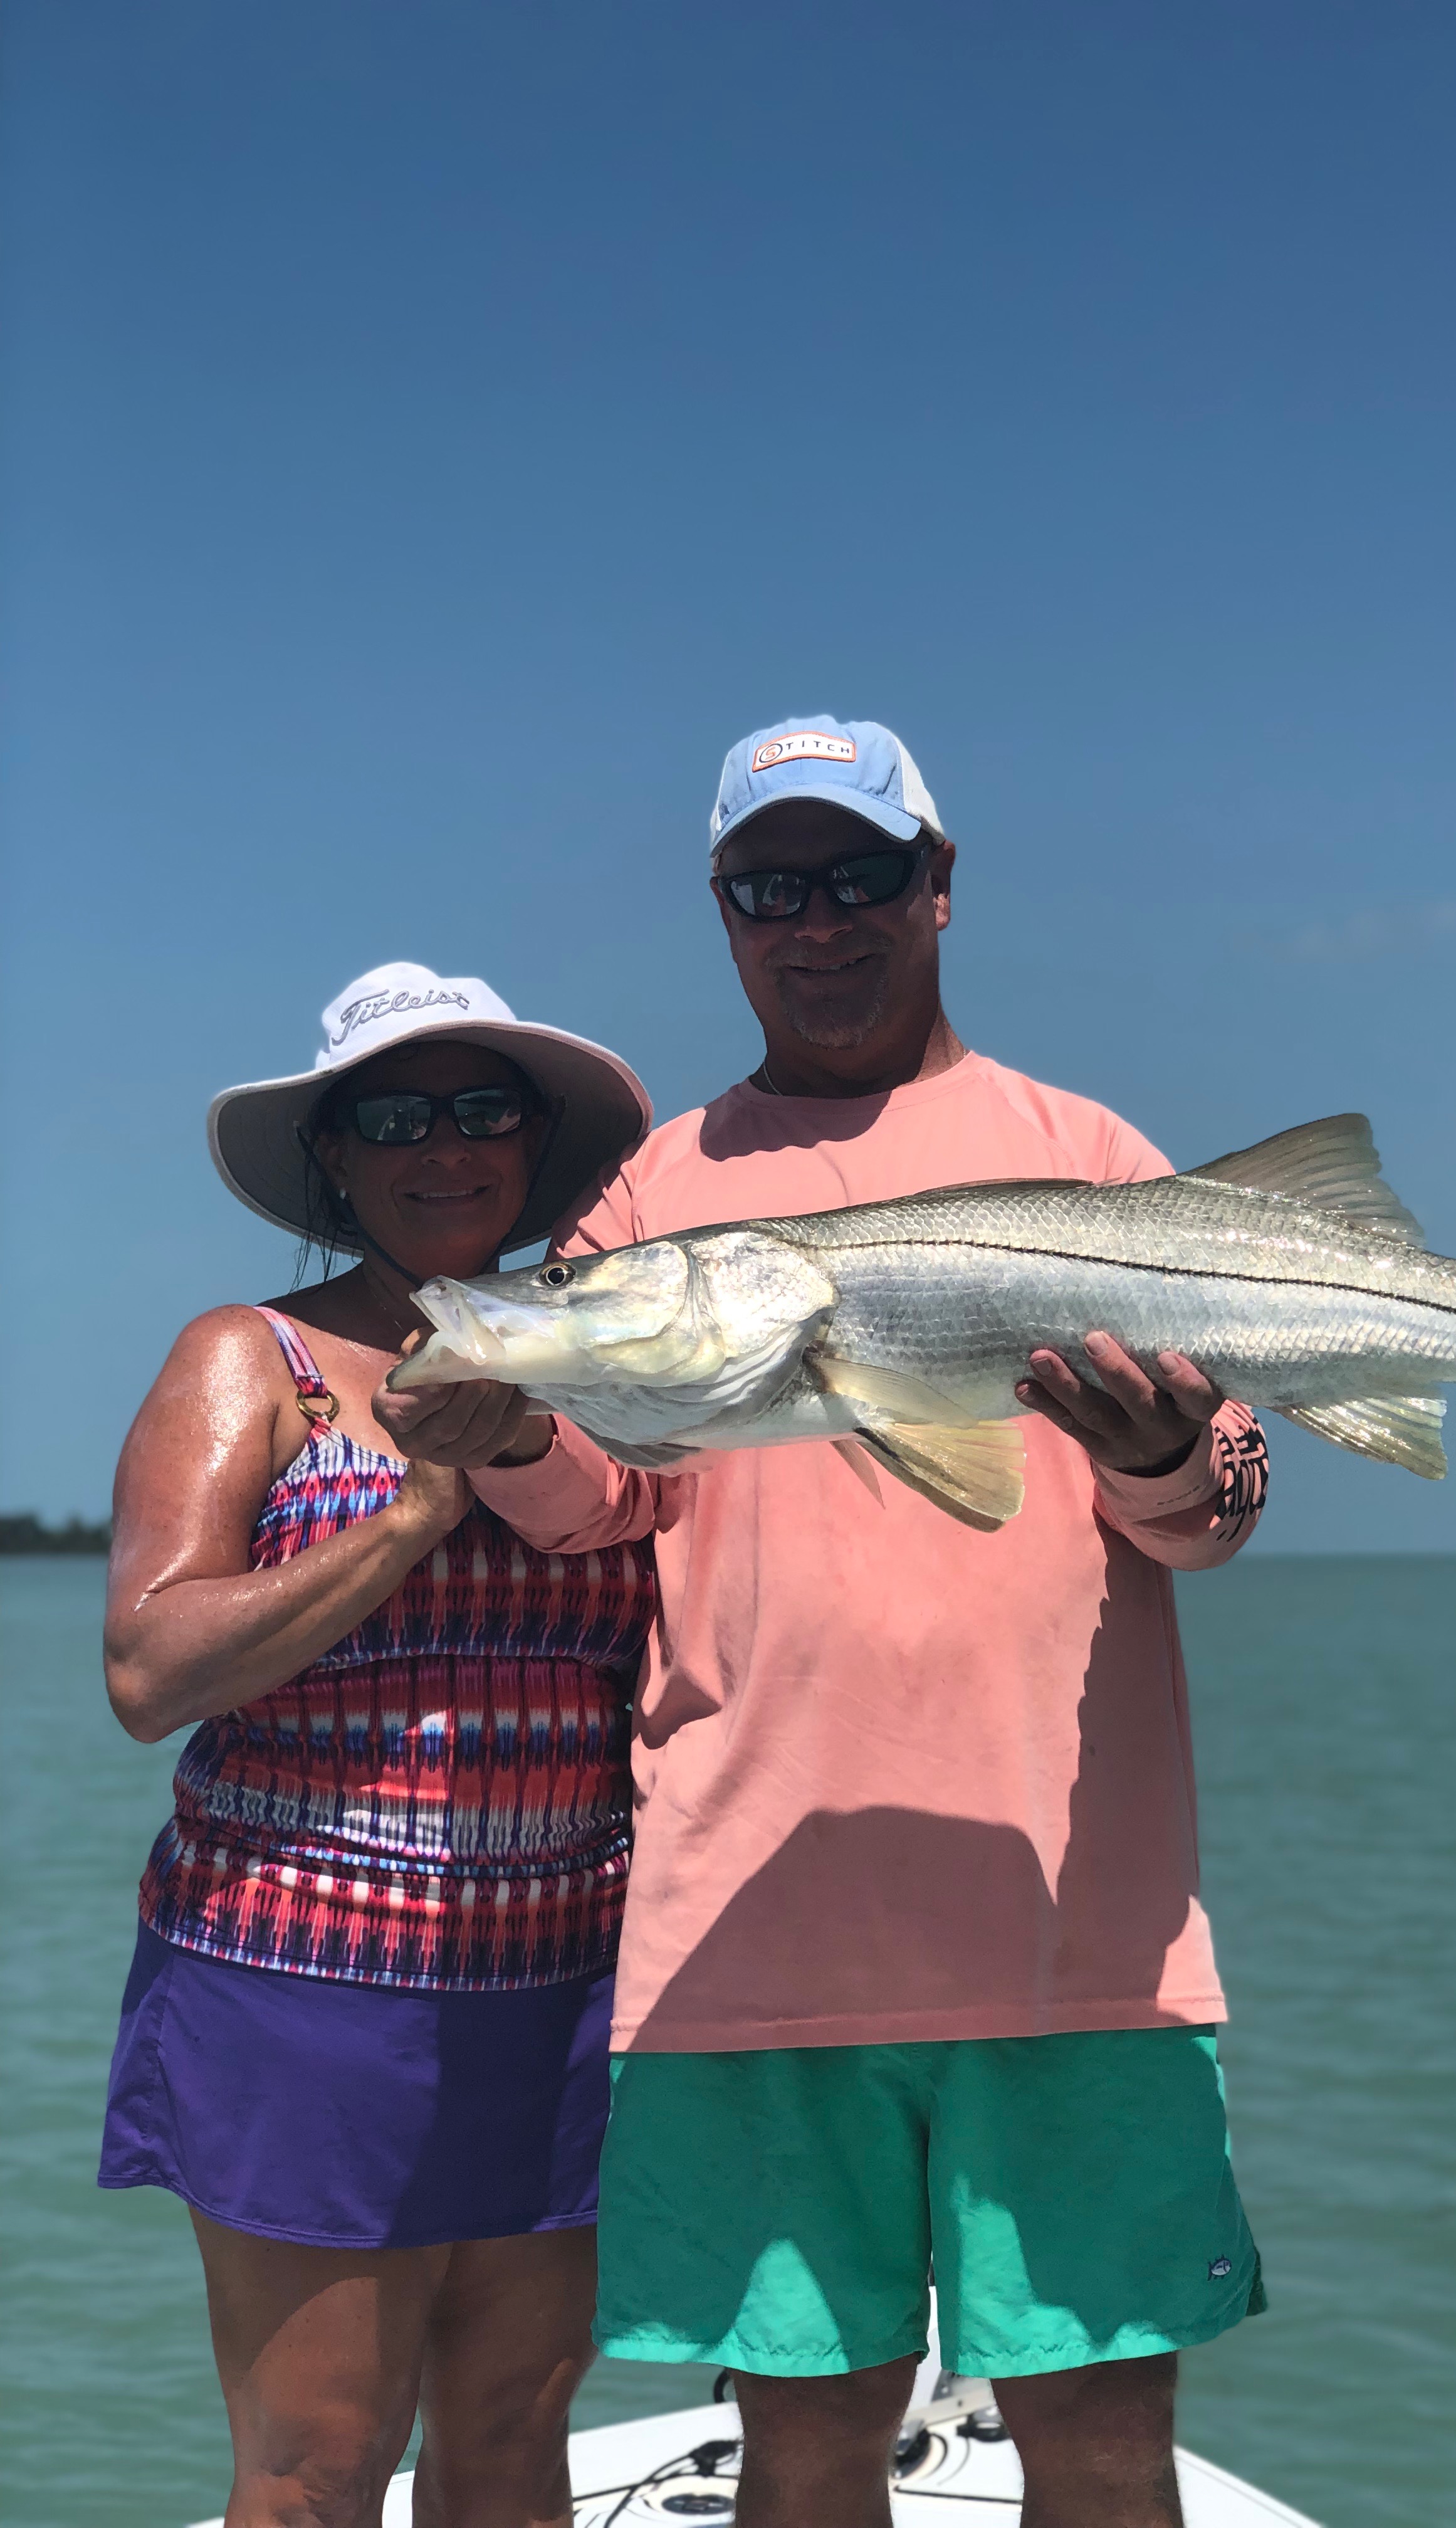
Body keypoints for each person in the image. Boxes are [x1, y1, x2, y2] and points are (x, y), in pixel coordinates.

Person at [381, 722, 1271, 2528]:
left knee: (1105, 2449)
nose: (818, 920)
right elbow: (609, 1497)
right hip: (747, 1934)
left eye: (860, 874)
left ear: (939, 888)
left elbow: (1222, 1505)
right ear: (724, 916)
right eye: (769, 888)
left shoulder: (1086, 1151)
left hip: (1077, 1926)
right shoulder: (651, 1193)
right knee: (801, 2452)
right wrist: (511, 1438)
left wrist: (1170, 1457)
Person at [100, 964, 655, 2528]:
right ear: (335, 1156)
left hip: (568, 1985)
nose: (446, 1145)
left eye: (483, 1108)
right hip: (303, 1988)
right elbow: (148, 1668)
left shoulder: (619, 1355)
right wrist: (414, 1513)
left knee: (513, 2445)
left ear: (533, 1143)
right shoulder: (251, 1357)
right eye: (396, 1117)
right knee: (319, 2470)